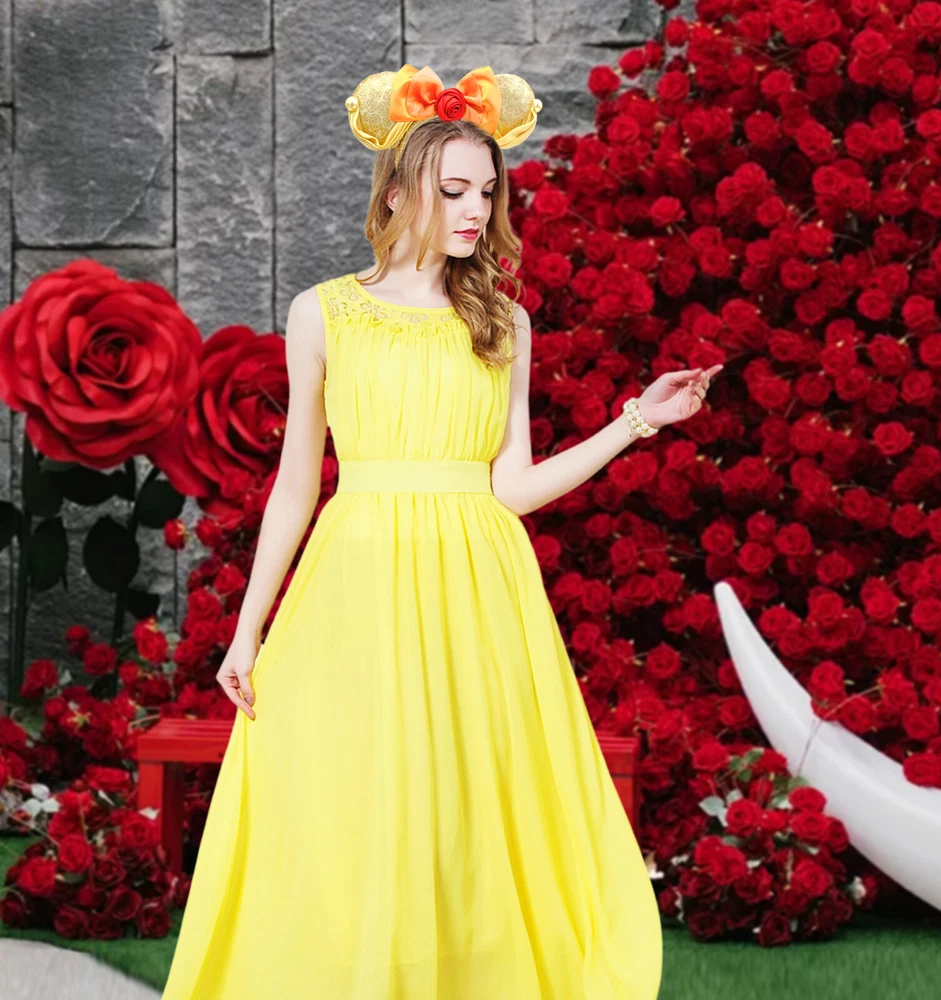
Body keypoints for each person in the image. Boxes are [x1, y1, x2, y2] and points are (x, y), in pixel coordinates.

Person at [161, 64, 721, 999]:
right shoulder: (323, 312)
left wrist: (638, 421)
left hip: (479, 587)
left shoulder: (504, 322)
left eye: (487, 192)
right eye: (453, 189)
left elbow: (515, 487)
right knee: (354, 801)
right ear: (396, 192)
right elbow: (297, 484)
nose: (475, 211)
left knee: (469, 811)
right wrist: (247, 629)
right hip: (355, 583)